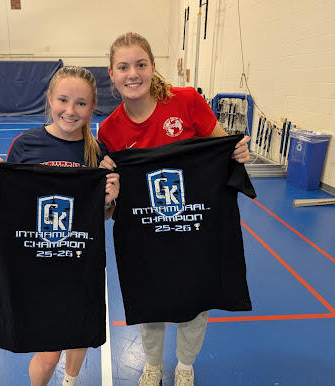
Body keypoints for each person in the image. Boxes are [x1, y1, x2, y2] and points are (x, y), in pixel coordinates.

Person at [98, 32, 250, 386]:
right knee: (149, 295)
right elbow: (110, 201)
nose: (132, 74)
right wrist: (108, 193)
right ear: (111, 74)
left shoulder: (186, 102)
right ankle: (152, 365)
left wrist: (236, 151)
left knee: (195, 297)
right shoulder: (110, 129)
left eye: (140, 64)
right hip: (145, 231)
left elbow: (222, 145)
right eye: (123, 67)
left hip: (195, 225)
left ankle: (185, 366)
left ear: (152, 67)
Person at [0, 66, 120, 386]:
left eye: (81, 103)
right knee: (47, 351)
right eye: (63, 100)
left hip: (78, 262)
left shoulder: (99, 153)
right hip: (37, 265)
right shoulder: (26, 144)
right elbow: (11, 204)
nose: (71, 110)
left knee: (79, 331)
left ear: (93, 106)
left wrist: (109, 200)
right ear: (49, 100)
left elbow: (103, 217)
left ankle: (70, 381)